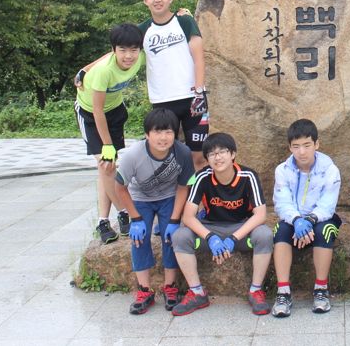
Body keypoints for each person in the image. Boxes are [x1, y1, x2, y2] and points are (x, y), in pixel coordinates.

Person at [170, 133, 274, 316]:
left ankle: (256, 290)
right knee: (180, 236)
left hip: (241, 229)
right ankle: (197, 292)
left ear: (233, 154)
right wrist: (211, 238)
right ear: (207, 159)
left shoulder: (248, 176)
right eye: (211, 154)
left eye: (222, 152)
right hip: (211, 227)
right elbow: (188, 217)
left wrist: (233, 238)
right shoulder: (202, 176)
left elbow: (260, 215)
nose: (217, 157)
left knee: (264, 234)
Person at [113, 108, 194, 314]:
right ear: (147, 134)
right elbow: (120, 187)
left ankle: (170, 287)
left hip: (169, 197)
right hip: (141, 198)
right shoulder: (134, 154)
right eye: (157, 132)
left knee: (172, 237)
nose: (163, 137)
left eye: (168, 132)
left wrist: (174, 221)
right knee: (139, 238)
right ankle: (144, 290)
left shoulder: (183, 152)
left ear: (175, 134)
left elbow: (184, 187)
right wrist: (135, 218)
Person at [75, 23, 145, 244]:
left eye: (133, 50)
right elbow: (97, 110)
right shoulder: (104, 71)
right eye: (122, 50)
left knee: (105, 168)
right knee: (107, 164)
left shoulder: (139, 58)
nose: (128, 56)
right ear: (115, 50)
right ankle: (124, 212)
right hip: (91, 114)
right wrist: (106, 145)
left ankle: (103, 221)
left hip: (115, 111)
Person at [271, 119, 342, 317]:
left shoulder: (330, 169)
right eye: (296, 146)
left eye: (307, 145)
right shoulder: (282, 170)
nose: (301, 152)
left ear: (316, 144)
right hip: (294, 218)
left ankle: (321, 289)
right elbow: (282, 202)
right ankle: (283, 292)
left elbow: (327, 205)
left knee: (324, 232)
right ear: (290, 147)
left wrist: (309, 221)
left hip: (321, 218)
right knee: (280, 231)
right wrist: (296, 221)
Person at [139, 0, 210, 171]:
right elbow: (119, 52)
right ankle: (174, 191)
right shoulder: (143, 30)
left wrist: (199, 93)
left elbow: (199, 59)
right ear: (145, 0)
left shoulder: (185, 22)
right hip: (162, 101)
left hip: (193, 99)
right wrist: (86, 70)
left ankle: (197, 192)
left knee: (198, 156)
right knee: (165, 154)